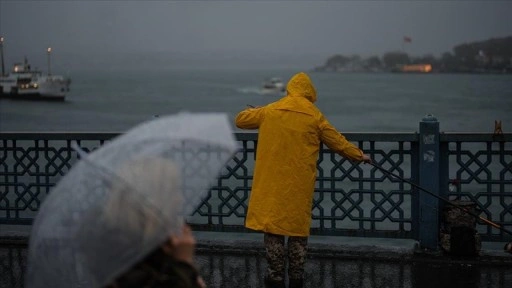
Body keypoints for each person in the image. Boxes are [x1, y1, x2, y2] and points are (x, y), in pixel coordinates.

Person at [235, 72, 371, 288]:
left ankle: (275, 276)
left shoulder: (269, 110)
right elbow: (337, 142)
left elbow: (240, 120)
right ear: (309, 93)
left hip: (271, 183)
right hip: (298, 185)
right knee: (297, 232)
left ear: (289, 89)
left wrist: (253, 111)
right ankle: (296, 277)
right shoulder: (314, 116)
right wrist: (359, 155)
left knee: (274, 231)